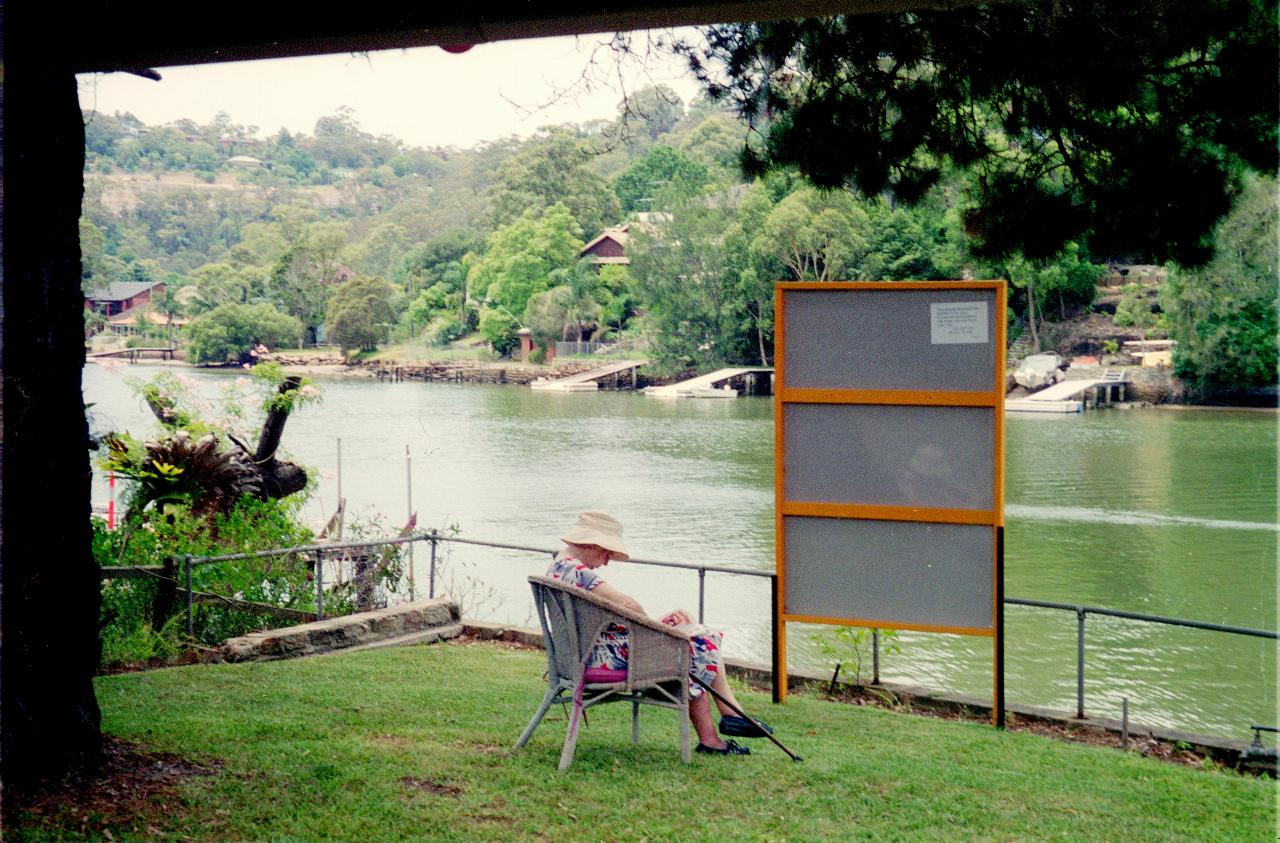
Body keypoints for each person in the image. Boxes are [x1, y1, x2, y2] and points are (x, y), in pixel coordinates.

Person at [547, 510, 771, 756]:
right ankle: (727, 719)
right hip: (601, 661)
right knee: (701, 641)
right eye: (606, 552)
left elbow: (600, 618)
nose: (607, 560)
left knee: (692, 640)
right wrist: (660, 628)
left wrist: (659, 624)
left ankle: (719, 730)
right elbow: (628, 605)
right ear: (590, 543)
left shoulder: (559, 566)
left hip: (581, 655)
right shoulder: (579, 572)